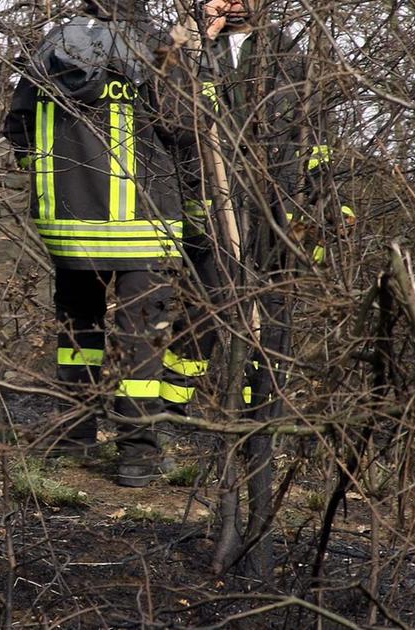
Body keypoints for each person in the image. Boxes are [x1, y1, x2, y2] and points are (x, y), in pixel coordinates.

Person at [3, 0, 187, 486]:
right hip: (143, 225)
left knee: (77, 334)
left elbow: (17, 125)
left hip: (65, 225)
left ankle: (74, 436)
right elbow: (182, 128)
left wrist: (51, 182)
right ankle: (138, 456)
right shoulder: (153, 47)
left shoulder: (52, 45)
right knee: (139, 340)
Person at [161, 2, 356, 416]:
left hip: (278, 206)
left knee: (273, 309)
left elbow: (316, 137)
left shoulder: (290, 55)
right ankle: (172, 407)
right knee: (207, 302)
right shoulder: (190, 49)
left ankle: (261, 413)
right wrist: (194, 43)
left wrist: (330, 199)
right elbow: (166, 108)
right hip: (211, 202)